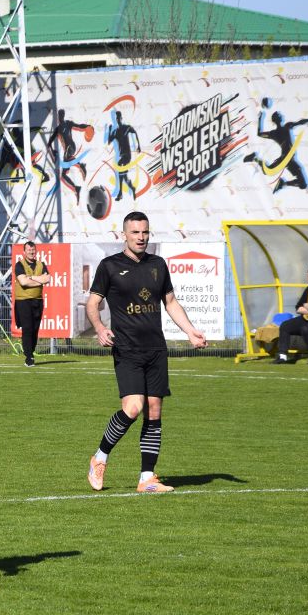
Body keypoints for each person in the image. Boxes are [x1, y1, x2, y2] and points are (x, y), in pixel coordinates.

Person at [85, 211, 207, 493]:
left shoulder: (158, 265)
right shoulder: (110, 266)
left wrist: (190, 331)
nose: (141, 237)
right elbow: (93, 303)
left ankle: (147, 478)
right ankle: (99, 458)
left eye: (145, 232)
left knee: (153, 411)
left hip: (156, 349)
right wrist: (100, 328)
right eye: (135, 232)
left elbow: (171, 302)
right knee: (133, 408)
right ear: (124, 235)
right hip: (126, 349)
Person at [13, 240, 51, 367]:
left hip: (38, 300)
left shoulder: (41, 264)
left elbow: (47, 279)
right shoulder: (19, 265)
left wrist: (31, 278)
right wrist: (39, 280)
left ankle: (31, 352)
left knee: (35, 329)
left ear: (36, 251)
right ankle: (28, 356)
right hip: (23, 300)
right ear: (24, 251)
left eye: (33, 250)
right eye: (29, 250)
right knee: (28, 327)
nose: (31, 252)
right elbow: (23, 282)